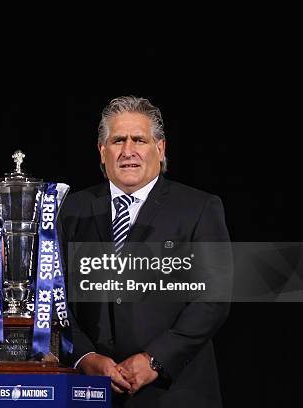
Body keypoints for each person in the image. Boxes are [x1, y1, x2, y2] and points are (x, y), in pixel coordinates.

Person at [59, 96, 231, 407]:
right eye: (117, 140)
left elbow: (214, 299)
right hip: (90, 391)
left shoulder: (199, 208)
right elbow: (52, 295)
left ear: (160, 148)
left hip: (175, 390)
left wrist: (154, 360)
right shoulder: (71, 210)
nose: (128, 151)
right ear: (102, 151)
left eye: (139, 139)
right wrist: (84, 355)